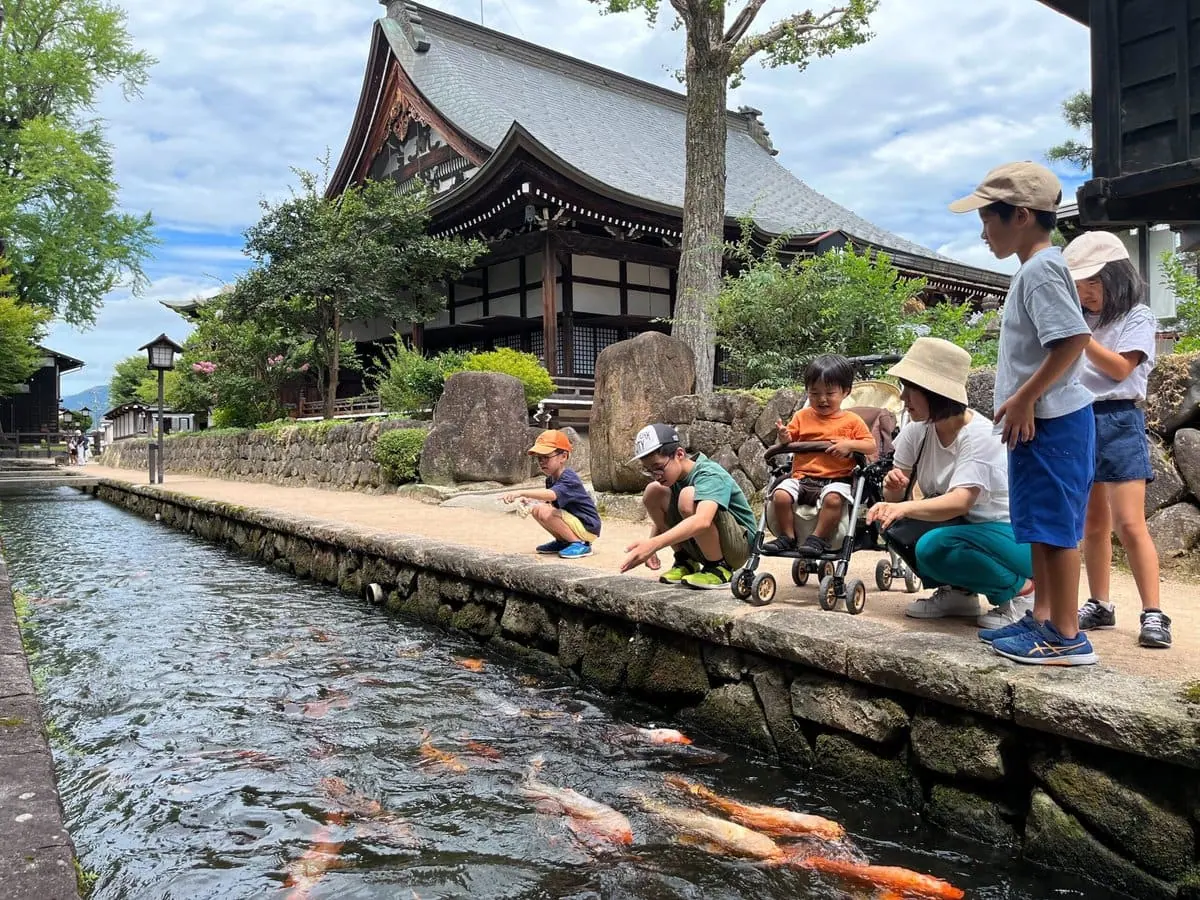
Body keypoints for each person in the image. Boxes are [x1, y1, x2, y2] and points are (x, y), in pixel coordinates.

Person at [950, 161, 1097, 665]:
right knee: (1038, 525)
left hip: (1054, 419)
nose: (983, 231)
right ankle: (1041, 620)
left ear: (1021, 216)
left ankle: (1067, 634)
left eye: (989, 219)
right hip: (1038, 422)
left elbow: (1074, 339)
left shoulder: (1039, 271)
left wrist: (1028, 397)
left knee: (1056, 528)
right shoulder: (1033, 271)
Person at [865, 337, 1035, 627]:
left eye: (911, 389)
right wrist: (892, 492)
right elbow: (896, 499)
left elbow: (960, 501)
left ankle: (1022, 593)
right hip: (967, 529)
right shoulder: (916, 431)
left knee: (934, 543)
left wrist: (903, 508)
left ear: (934, 393)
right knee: (898, 528)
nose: (904, 398)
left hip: (1014, 537)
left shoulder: (980, 435)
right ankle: (960, 595)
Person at [1063, 231, 1171, 649]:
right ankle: (1101, 603)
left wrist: (1081, 337)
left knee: (1129, 522)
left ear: (1115, 277)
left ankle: (1154, 613)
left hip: (1120, 419)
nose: (1085, 293)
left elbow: (1121, 370)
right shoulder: (1084, 319)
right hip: (1080, 418)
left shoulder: (1137, 316)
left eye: (1091, 283)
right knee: (1093, 524)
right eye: (1079, 285)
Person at [763, 354, 876, 557]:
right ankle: (787, 537)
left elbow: (870, 445)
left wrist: (848, 444)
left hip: (835, 478)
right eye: (814, 393)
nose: (822, 399)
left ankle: (818, 538)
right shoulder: (802, 416)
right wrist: (784, 435)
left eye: (829, 393)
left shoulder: (852, 421)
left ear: (845, 392)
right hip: (801, 477)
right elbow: (788, 442)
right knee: (780, 495)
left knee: (833, 500)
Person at [620, 423, 757, 590]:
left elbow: (702, 521)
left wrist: (654, 544)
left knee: (687, 496)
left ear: (679, 454)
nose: (656, 476)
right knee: (653, 491)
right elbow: (665, 515)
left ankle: (719, 568)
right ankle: (685, 561)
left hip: (738, 547)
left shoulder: (709, 473)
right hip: (705, 543)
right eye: (649, 471)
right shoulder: (673, 478)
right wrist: (650, 545)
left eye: (658, 468)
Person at [501, 429, 600, 559]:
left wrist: (521, 492)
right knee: (536, 509)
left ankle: (580, 543)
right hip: (575, 523)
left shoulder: (569, 477)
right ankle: (563, 541)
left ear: (563, 456)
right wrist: (529, 501)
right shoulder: (551, 479)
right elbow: (549, 502)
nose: (542, 462)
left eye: (546, 457)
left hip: (587, 526)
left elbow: (552, 495)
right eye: (539, 458)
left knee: (543, 511)